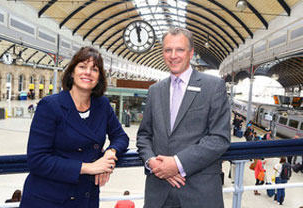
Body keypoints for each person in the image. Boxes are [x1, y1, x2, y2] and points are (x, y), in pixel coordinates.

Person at [20, 46, 129, 208]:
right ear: (72, 72)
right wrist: (89, 168)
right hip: (48, 199)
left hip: (85, 197)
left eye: (94, 69)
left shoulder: (102, 105)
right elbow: (37, 160)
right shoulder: (50, 106)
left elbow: (121, 137)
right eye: (82, 66)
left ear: (99, 78)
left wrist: (109, 155)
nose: (88, 72)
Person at [136, 28, 231, 208]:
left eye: (179, 50)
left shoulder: (213, 86)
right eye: (167, 50)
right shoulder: (155, 91)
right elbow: (144, 135)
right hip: (159, 193)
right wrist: (153, 163)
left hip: (199, 194)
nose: (173, 56)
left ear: (191, 52)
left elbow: (219, 138)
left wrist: (177, 164)